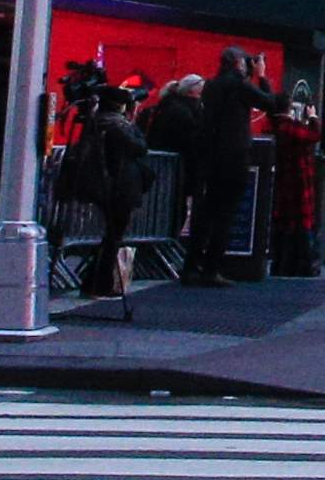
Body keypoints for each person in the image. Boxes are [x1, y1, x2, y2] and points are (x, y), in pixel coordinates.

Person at [182, 47, 274, 285]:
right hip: (233, 157)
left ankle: (192, 266)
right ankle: (212, 269)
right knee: (225, 214)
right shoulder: (239, 86)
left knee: (205, 214)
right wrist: (262, 76)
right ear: (237, 63)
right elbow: (271, 103)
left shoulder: (212, 85)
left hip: (212, 156)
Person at [69, 81, 152, 303]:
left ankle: (96, 280)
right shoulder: (117, 126)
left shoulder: (98, 123)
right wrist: (136, 125)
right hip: (118, 186)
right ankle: (99, 282)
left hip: (107, 183)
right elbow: (139, 147)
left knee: (111, 234)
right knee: (114, 234)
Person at [146, 72, 206, 267]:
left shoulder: (168, 107)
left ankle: (163, 249)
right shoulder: (183, 112)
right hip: (177, 169)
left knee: (169, 208)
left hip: (171, 169)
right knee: (173, 209)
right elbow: (192, 139)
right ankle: (163, 249)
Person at [271, 81, 324, 278]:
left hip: (286, 181)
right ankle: (303, 263)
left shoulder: (278, 126)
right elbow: (313, 135)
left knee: (286, 223)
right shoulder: (288, 127)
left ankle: (283, 263)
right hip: (299, 179)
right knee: (302, 223)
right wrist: (313, 117)